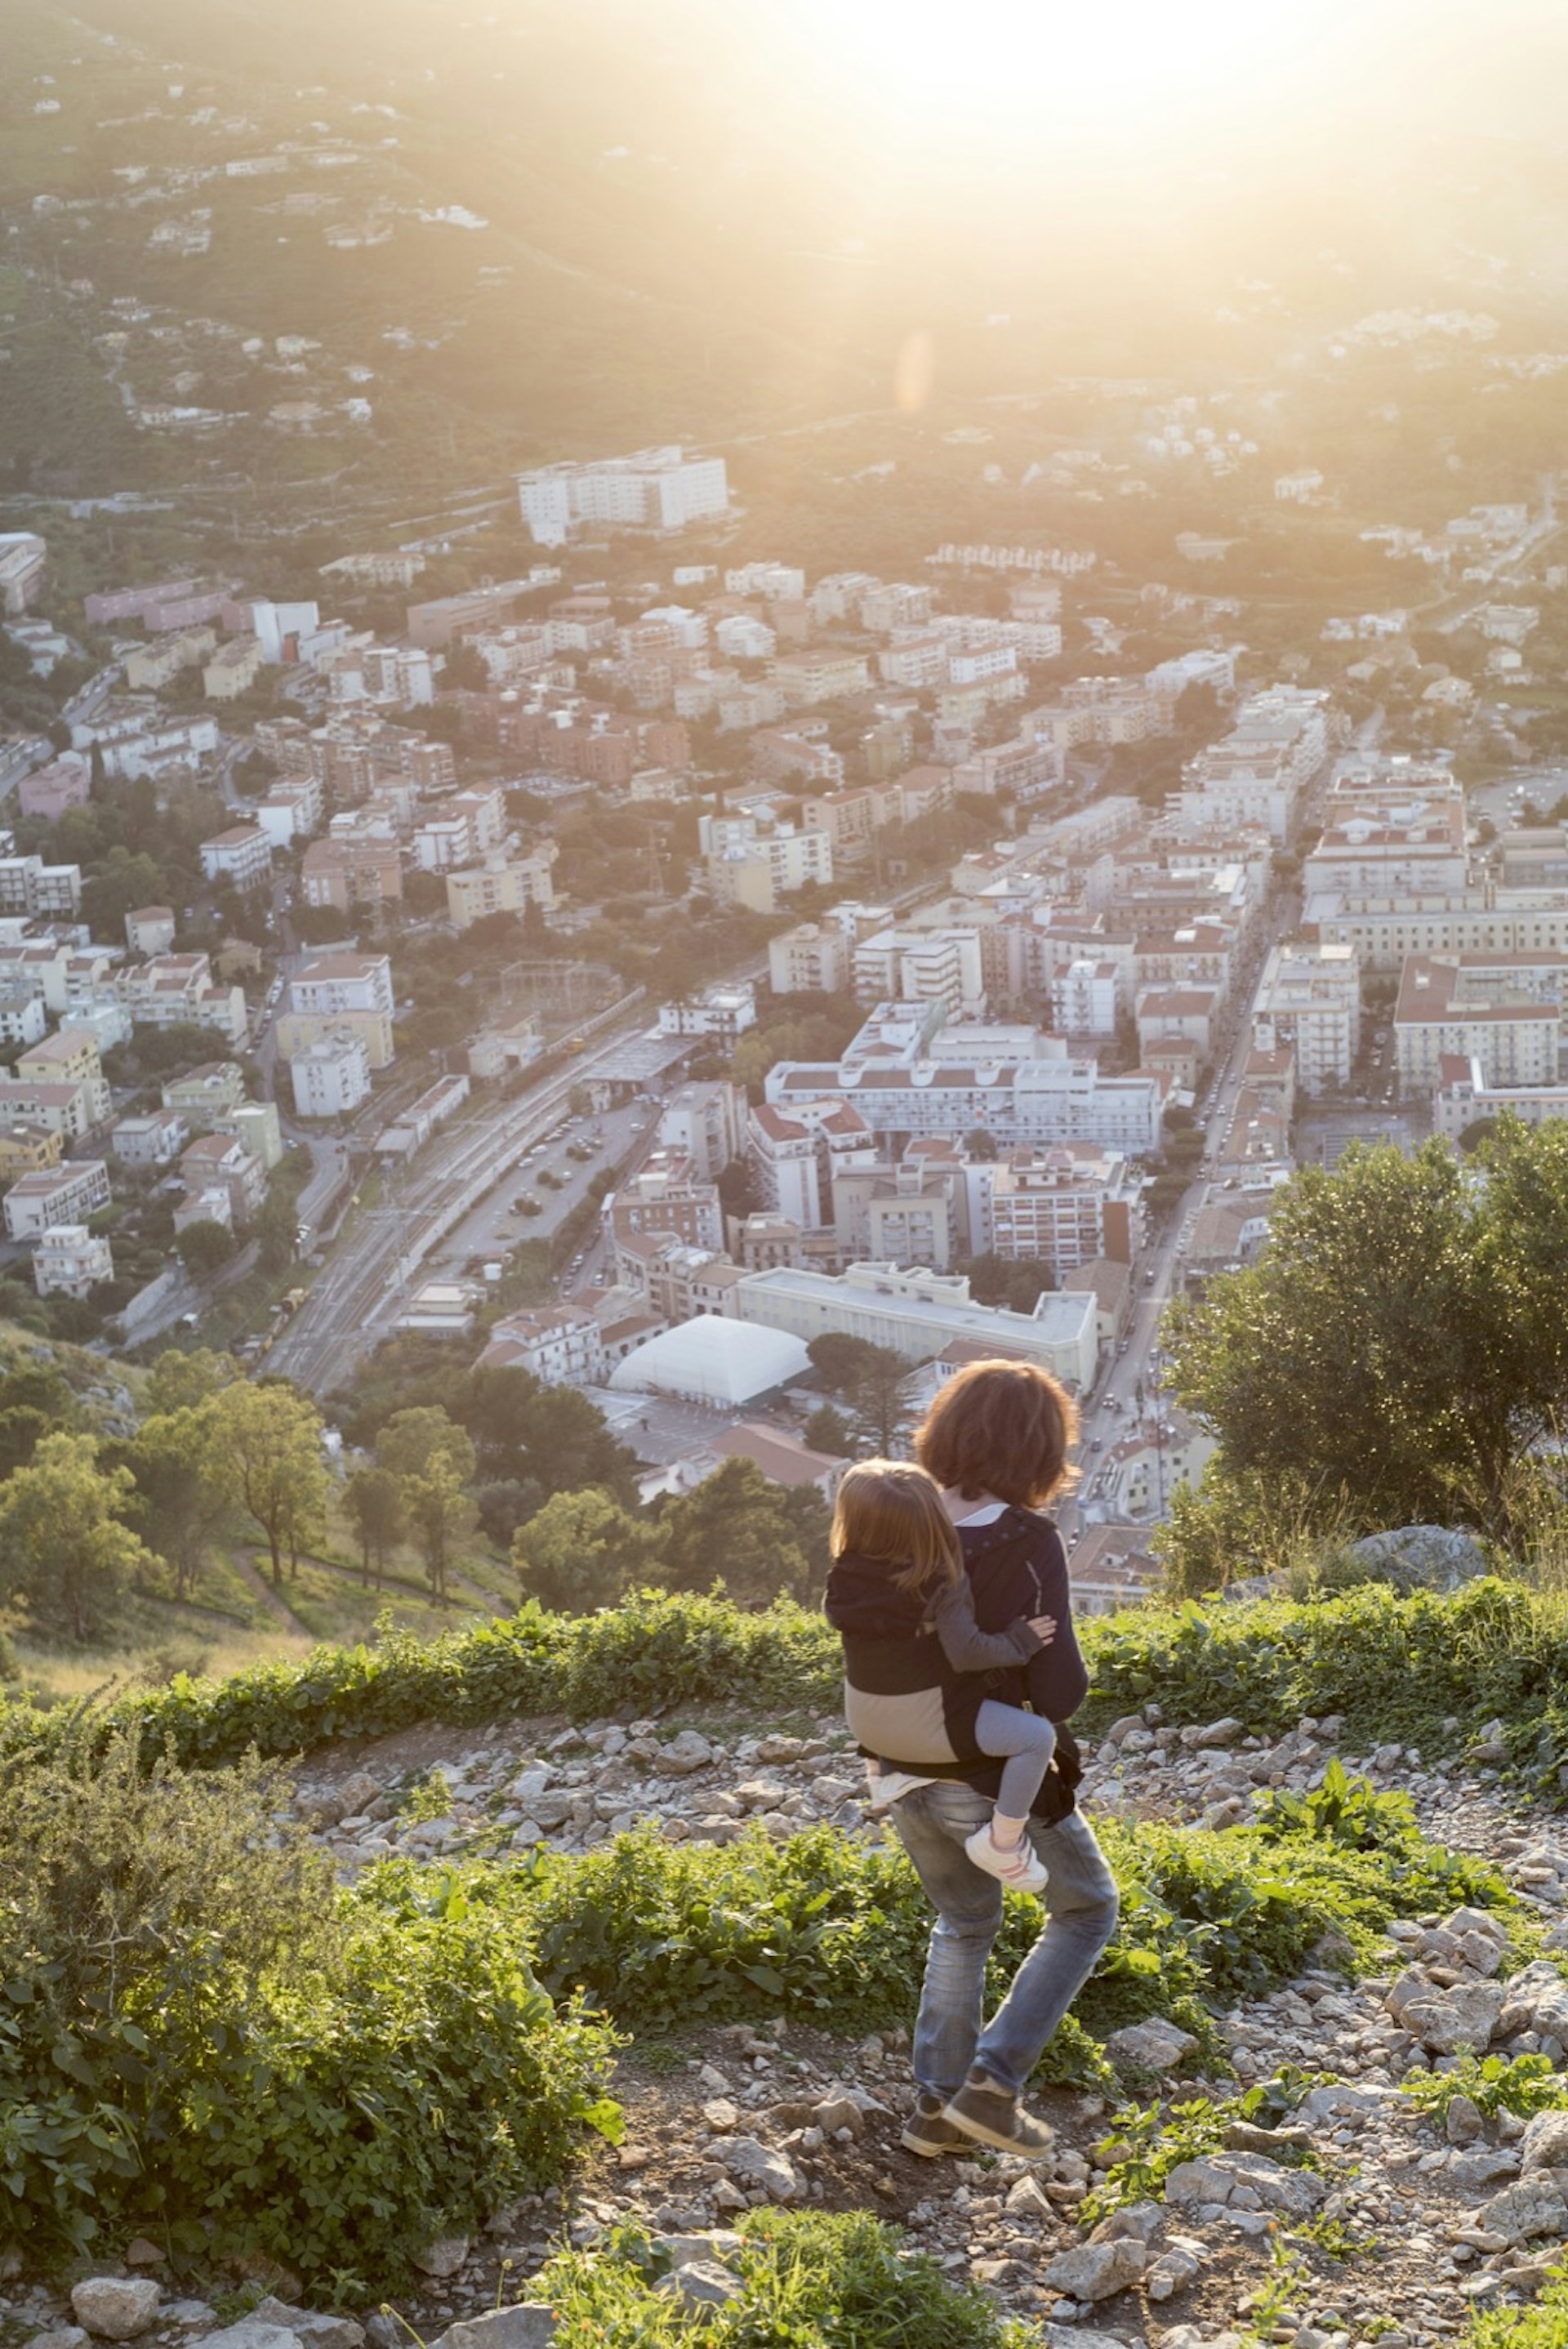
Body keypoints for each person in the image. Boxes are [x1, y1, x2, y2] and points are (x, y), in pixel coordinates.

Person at [864, 1359, 1120, 2163]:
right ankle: (992, 2083)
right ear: (1038, 1451)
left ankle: (938, 2111)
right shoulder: (1030, 1537)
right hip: (988, 1766)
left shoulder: (894, 1520)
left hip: (899, 1765)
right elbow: (1061, 1688)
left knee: (966, 1920)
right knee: (1087, 1909)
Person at [824, 1459, 1060, 1891]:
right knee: (1036, 1738)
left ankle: (881, 1781)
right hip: (930, 1731)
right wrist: (1020, 1641)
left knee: (880, 1675)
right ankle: (1004, 1844)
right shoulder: (939, 1580)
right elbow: (968, 1653)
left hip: (868, 1731)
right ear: (929, 1519)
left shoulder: (842, 1577)